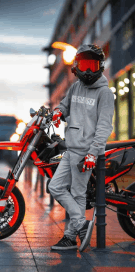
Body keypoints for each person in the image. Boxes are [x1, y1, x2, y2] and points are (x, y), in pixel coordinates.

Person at [48, 44, 115, 252]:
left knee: (78, 194)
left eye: (91, 65)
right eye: (83, 65)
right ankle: (80, 225)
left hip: (85, 152)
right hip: (71, 148)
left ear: (100, 66)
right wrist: (59, 112)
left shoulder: (105, 93)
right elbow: (65, 105)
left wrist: (93, 154)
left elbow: (104, 127)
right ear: (76, 66)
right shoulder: (76, 86)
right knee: (55, 187)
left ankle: (70, 237)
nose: (87, 71)